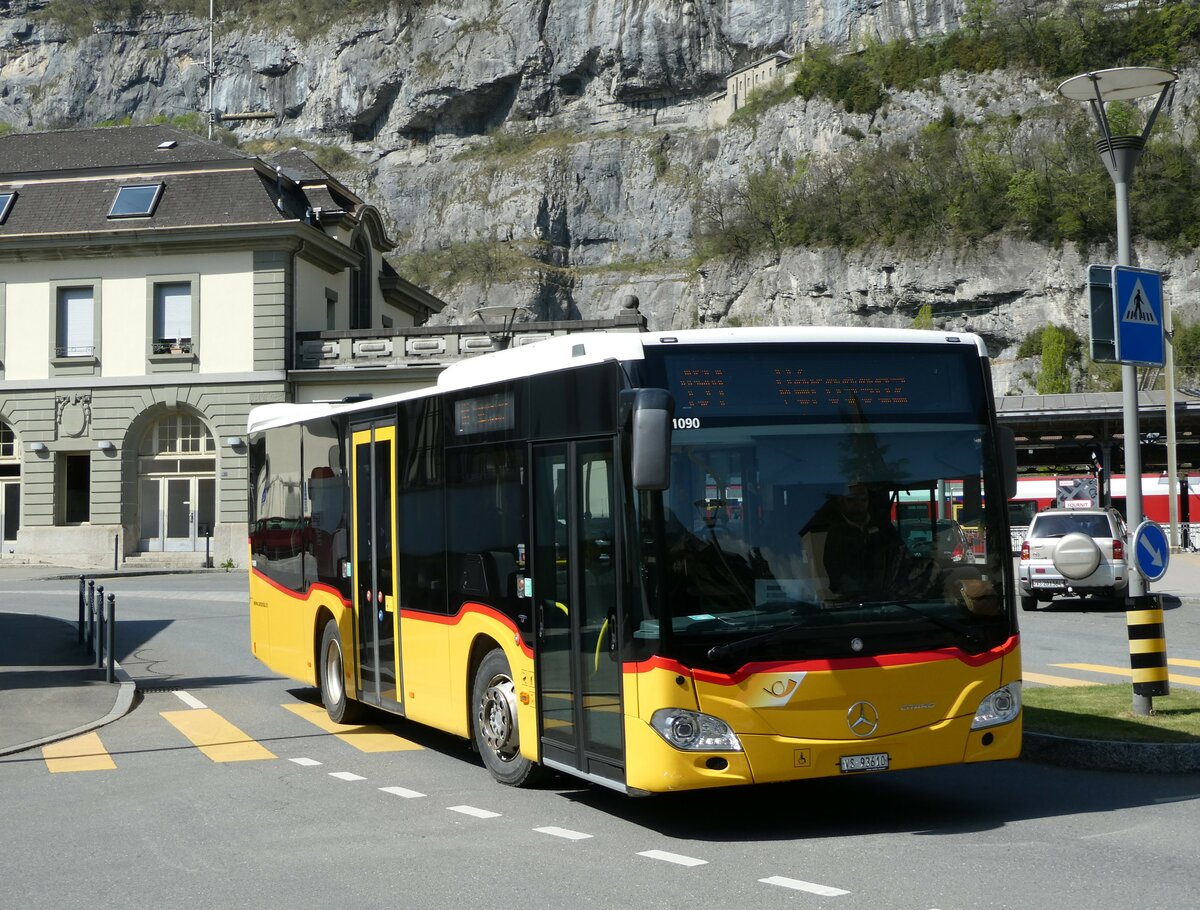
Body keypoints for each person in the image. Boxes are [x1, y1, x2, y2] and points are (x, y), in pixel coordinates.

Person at [822, 483, 910, 600]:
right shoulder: (834, 531)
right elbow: (833, 567)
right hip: (849, 601)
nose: (859, 504)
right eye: (852, 499)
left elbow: (900, 555)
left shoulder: (883, 526)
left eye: (863, 499)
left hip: (888, 597)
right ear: (841, 500)